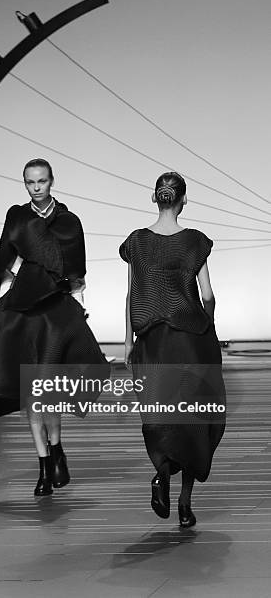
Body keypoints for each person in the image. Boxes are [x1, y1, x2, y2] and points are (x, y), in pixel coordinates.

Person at [0, 158, 109, 496]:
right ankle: (44, 465)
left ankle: (57, 448)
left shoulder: (68, 222)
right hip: (24, 309)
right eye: (30, 182)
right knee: (34, 394)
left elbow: (77, 271)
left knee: (49, 392)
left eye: (42, 181)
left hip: (57, 310)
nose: (36, 187)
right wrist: (5, 280)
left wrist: (79, 307)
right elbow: (5, 255)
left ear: (51, 181)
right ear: (25, 183)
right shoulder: (18, 216)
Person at [120, 171, 226, 528]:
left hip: (152, 342)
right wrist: (207, 327)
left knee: (159, 415)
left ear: (154, 198)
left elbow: (131, 294)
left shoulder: (136, 241)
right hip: (190, 340)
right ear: (184, 201)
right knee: (194, 418)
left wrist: (127, 341)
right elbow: (208, 295)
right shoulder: (195, 242)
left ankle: (161, 475)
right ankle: (184, 503)